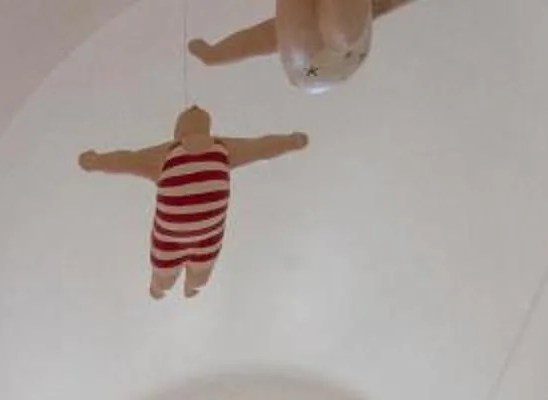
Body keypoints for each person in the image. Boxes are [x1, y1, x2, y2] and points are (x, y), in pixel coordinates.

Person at [78, 106, 310, 300]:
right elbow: (261, 148)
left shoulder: (170, 153)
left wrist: (97, 161)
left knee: (170, 277)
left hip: (176, 238)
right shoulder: (221, 149)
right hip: (203, 237)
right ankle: (179, 287)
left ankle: (168, 288)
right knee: (195, 275)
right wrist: (290, 141)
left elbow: (125, 159)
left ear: (178, 131)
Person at [191, 0, 418, 91]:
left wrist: (217, 53)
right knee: (339, 31)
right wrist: (216, 53)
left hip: (308, 69)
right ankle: (216, 55)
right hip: (317, 66)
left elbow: (266, 36)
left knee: (291, 31)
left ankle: (216, 55)